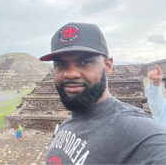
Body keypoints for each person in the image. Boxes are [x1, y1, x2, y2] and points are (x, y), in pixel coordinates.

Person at [39, 22, 166, 164]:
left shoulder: (140, 133)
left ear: (108, 66)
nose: (70, 74)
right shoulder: (70, 121)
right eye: (60, 64)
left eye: (84, 62)